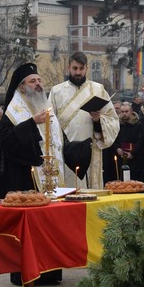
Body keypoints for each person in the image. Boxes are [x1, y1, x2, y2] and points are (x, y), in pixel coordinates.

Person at [49, 52, 119, 189]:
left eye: (81, 68)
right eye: (75, 68)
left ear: (86, 68)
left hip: (91, 152)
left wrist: (98, 120)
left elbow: (112, 120)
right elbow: (49, 123)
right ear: (68, 67)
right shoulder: (56, 92)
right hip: (65, 152)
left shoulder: (98, 90)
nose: (78, 72)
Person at [0, 62, 61, 196]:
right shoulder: (13, 112)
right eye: (33, 81)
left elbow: (58, 141)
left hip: (49, 172)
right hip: (24, 176)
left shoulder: (44, 106)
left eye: (39, 80)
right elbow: (7, 140)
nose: (38, 84)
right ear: (22, 87)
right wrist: (32, 122)